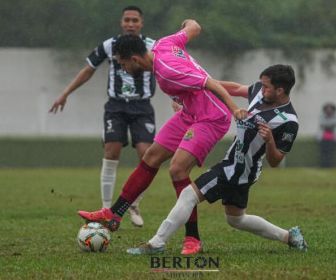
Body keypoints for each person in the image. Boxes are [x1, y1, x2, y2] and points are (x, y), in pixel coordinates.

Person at [78, 19, 248, 254]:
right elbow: (195, 27)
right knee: (151, 156)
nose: (124, 70)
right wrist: (186, 22)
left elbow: (209, 83)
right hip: (190, 113)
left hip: (210, 118)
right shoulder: (164, 43)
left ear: (135, 60)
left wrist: (234, 108)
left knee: (177, 169)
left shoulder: (166, 71)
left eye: (123, 64)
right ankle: (114, 214)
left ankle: (193, 238)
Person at [126, 64, 308, 255]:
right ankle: (289, 236)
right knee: (235, 218)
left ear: (280, 90)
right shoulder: (259, 93)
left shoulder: (288, 121)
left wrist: (270, 140)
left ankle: (156, 244)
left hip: (236, 170)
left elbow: (276, 160)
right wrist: (194, 91)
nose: (260, 90)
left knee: (188, 195)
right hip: (240, 169)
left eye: (266, 87)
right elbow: (232, 88)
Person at [49, 6, 156, 227]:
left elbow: (165, 70)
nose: (130, 24)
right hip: (115, 106)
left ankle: (134, 204)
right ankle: (106, 209)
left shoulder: (153, 46)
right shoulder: (110, 45)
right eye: (127, 19)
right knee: (111, 150)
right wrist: (66, 93)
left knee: (147, 155)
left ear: (141, 23)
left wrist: (176, 97)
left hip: (142, 106)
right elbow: (89, 69)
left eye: (135, 20)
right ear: (121, 22)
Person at [317, 103, 336, 168]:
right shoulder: (322, 116)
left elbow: (334, 123)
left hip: (331, 138)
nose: (329, 111)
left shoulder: (335, 117)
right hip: (323, 138)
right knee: (323, 153)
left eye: (330, 109)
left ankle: (331, 165)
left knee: (330, 153)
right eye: (328, 109)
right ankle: (323, 165)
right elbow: (322, 124)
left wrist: (327, 124)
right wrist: (329, 124)